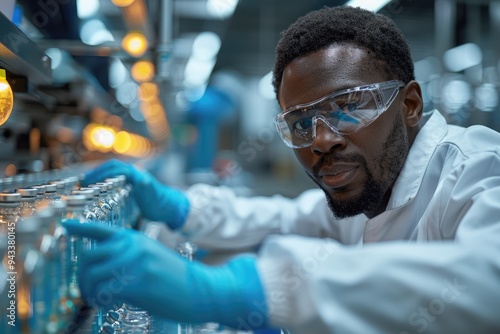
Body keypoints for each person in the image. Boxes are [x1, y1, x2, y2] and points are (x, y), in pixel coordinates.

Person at [64, 5, 500, 333]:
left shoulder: (477, 169)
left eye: (348, 107)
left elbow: (486, 281)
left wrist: (248, 290)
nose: (322, 140)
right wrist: (180, 209)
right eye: (301, 123)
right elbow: (286, 215)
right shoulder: (370, 192)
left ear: (409, 105)